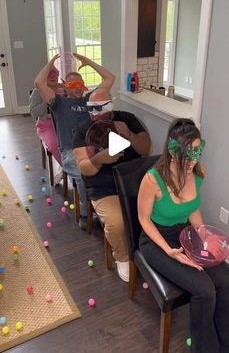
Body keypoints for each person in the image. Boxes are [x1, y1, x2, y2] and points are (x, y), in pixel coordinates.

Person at [138, 118, 229, 353]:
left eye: (196, 154)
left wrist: (204, 235)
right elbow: (144, 219)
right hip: (156, 240)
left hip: (185, 234)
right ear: (172, 152)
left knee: (225, 280)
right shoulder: (153, 179)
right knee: (204, 290)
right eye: (187, 156)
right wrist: (168, 250)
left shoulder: (198, 173)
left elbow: (192, 209)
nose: (192, 162)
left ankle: (225, 346)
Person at [73, 88, 152, 282]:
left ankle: (151, 252)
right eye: (91, 109)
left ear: (111, 105)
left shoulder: (127, 119)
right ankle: (123, 257)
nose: (95, 114)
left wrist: (129, 135)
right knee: (117, 221)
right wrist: (99, 159)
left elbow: (146, 148)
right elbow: (85, 168)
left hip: (134, 181)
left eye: (100, 108)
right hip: (103, 187)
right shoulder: (83, 129)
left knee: (159, 211)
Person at [34, 53, 115, 229]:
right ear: (66, 86)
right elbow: (39, 83)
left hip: (92, 147)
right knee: (82, 174)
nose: (77, 87)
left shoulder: (89, 100)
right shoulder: (59, 103)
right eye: (72, 84)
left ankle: (105, 209)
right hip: (70, 150)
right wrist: (51, 63)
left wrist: (89, 62)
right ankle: (86, 215)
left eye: (80, 83)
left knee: (110, 167)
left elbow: (110, 78)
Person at [29, 67, 64, 184]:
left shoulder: (63, 88)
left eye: (56, 74)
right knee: (56, 144)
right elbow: (34, 113)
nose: (54, 77)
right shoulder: (37, 91)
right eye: (50, 74)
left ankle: (67, 168)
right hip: (46, 126)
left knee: (76, 141)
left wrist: (69, 92)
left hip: (63, 122)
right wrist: (45, 101)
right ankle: (68, 169)